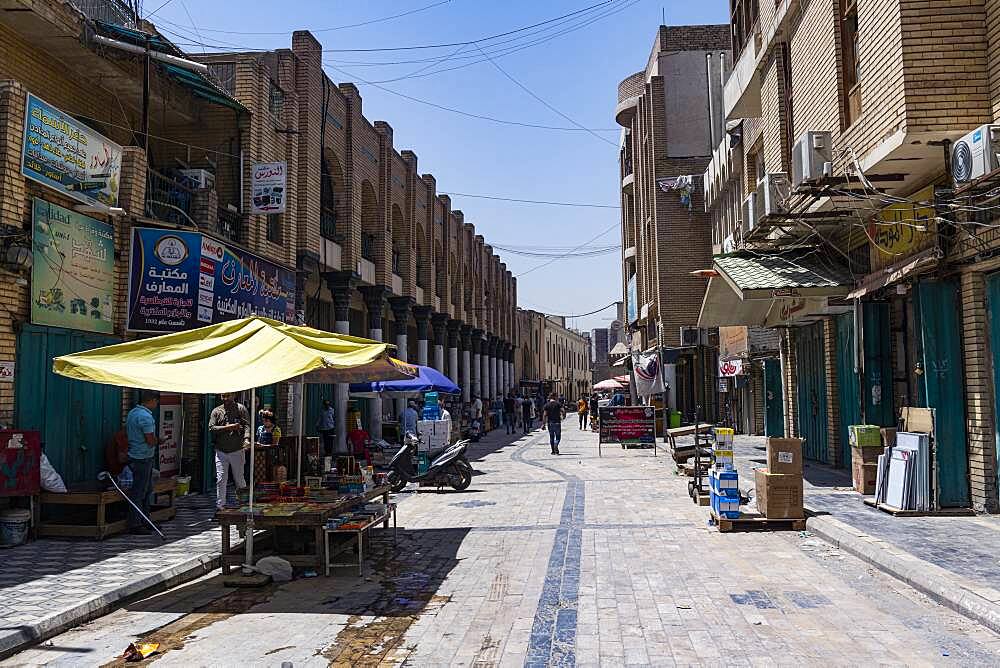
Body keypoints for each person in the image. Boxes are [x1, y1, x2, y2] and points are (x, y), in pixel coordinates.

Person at [125, 390, 162, 534]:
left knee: (145, 490)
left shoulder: (132, 413)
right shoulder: (146, 417)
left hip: (134, 455)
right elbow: (150, 440)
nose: (156, 404)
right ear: (152, 400)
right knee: (140, 491)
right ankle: (135, 523)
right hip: (143, 457)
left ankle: (145, 520)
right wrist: (159, 440)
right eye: (156, 401)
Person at [209, 392, 250, 510]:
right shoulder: (216, 411)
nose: (225, 398)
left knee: (239, 479)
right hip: (221, 450)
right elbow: (211, 427)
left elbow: (247, 425)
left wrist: (246, 439)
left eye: (228, 396)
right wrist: (230, 427)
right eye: (223, 396)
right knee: (221, 478)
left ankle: (243, 504)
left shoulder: (241, 409)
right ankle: (220, 506)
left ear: (234, 396)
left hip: (237, 449)